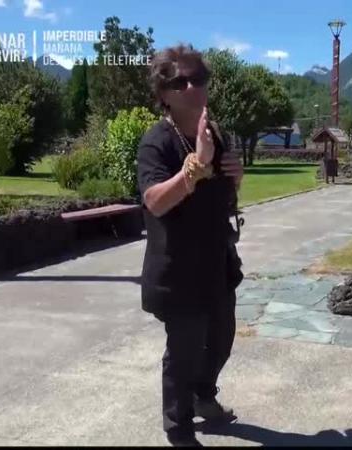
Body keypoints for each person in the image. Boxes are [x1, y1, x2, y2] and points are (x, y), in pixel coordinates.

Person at [137, 44, 245, 447]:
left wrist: (236, 176)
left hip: (217, 261)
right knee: (182, 351)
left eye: (198, 78)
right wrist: (194, 170)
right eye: (179, 82)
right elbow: (154, 201)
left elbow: (223, 199)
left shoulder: (215, 134)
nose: (192, 87)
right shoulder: (157, 143)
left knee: (221, 338)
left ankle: (203, 396)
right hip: (177, 269)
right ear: (163, 94)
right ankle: (179, 428)